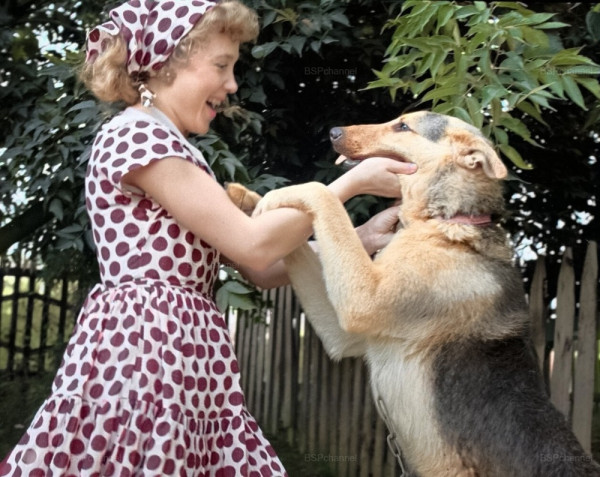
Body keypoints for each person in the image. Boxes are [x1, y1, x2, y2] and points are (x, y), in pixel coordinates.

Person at [0, 1, 416, 475]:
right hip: (145, 349)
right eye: (221, 65)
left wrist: (358, 238)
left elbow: (261, 265)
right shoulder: (138, 137)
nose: (232, 84)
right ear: (163, 65)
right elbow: (253, 243)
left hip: (181, 348)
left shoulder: (173, 147)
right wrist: (351, 183)